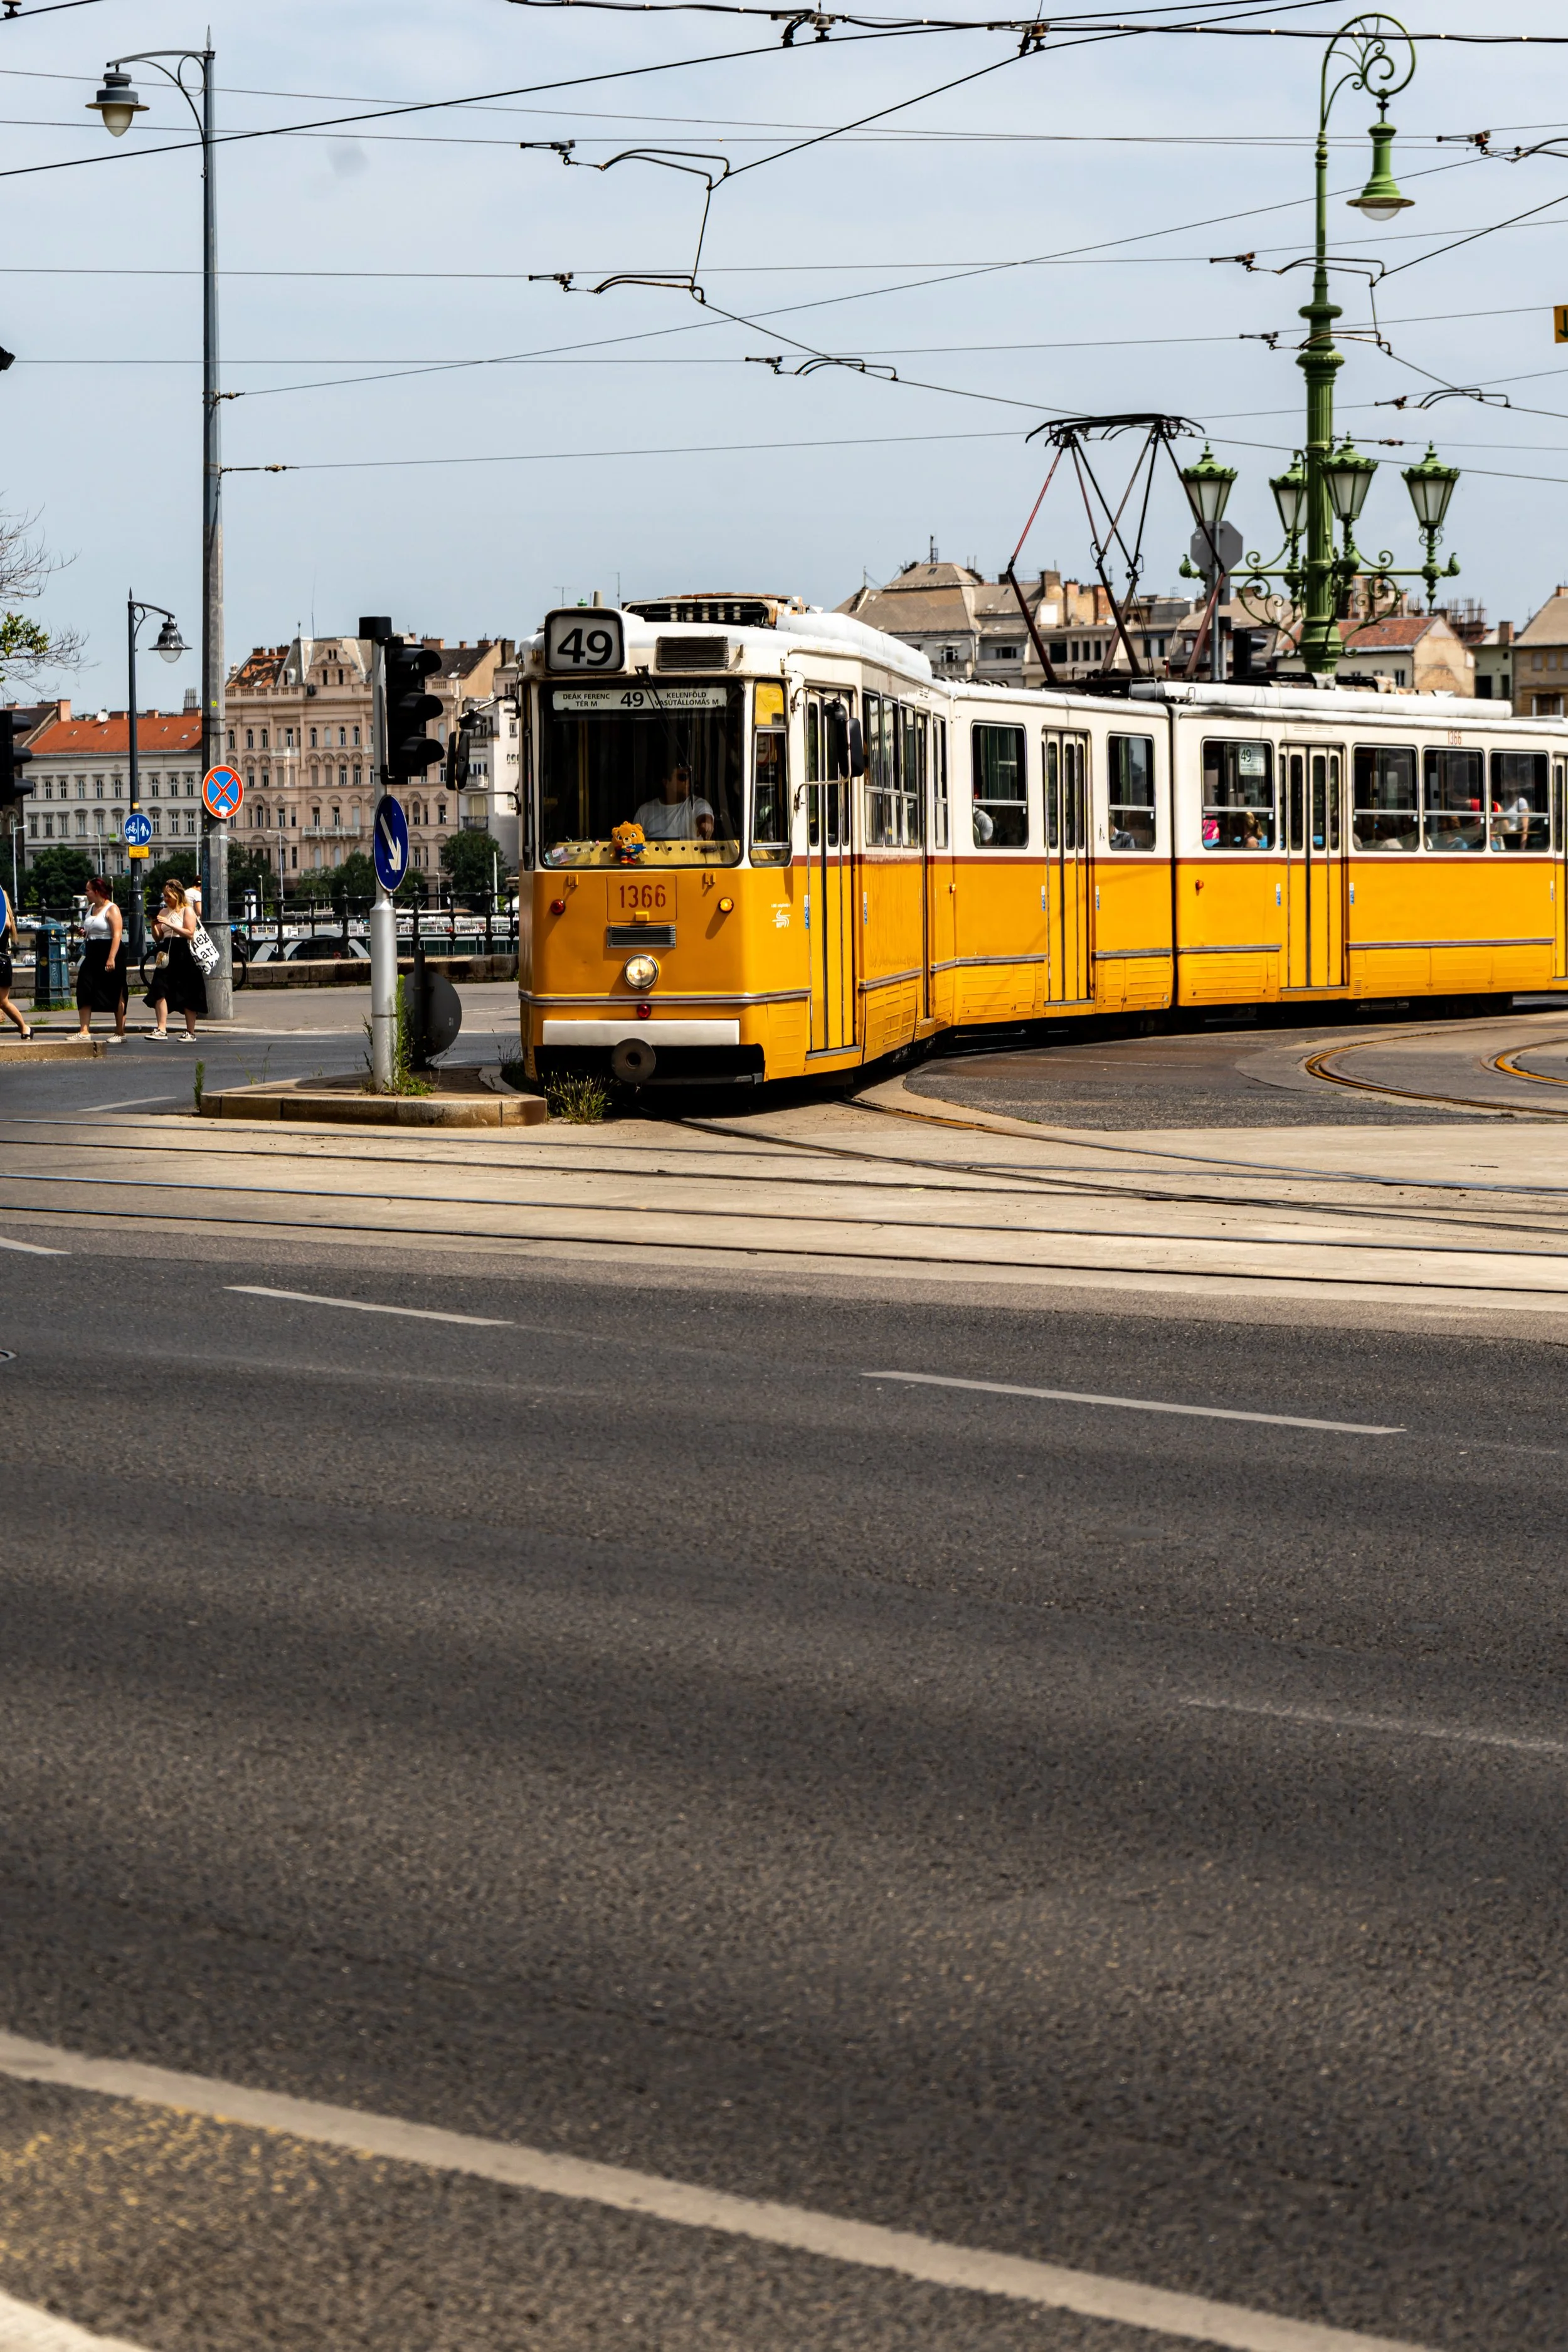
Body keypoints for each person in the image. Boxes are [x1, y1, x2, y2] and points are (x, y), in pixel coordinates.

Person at [145, 878, 206, 1039]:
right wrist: (154, 925)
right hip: (166, 952)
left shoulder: (187, 911)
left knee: (187, 991)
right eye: (164, 896)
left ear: (178, 895)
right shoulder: (163, 912)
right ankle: (161, 1028)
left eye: (169, 896)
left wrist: (170, 924)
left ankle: (190, 1032)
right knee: (159, 988)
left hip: (183, 952)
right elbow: (158, 937)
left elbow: (190, 933)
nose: (166, 899)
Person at [75, 875, 128, 1041]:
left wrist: (111, 958)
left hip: (109, 951)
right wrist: (83, 932)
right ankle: (84, 1031)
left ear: (97, 891)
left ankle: (120, 1032)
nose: (86, 893)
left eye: (88, 890)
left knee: (116, 990)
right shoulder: (90, 908)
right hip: (92, 951)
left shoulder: (112, 909)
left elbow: (117, 935)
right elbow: (92, 927)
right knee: (84, 988)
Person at [632, 763, 715, 842]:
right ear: (666, 782)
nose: (688, 781)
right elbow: (633, 843)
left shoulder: (698, 804)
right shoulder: (644, 812)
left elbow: (705, 817)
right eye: (683, 777)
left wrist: (706, 824)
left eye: (690, 776)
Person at [0, 872, 29, 1040]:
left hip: (1, 963)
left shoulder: (4, 919)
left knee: (3, 1002)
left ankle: (25, 1027)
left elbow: (5, 925)